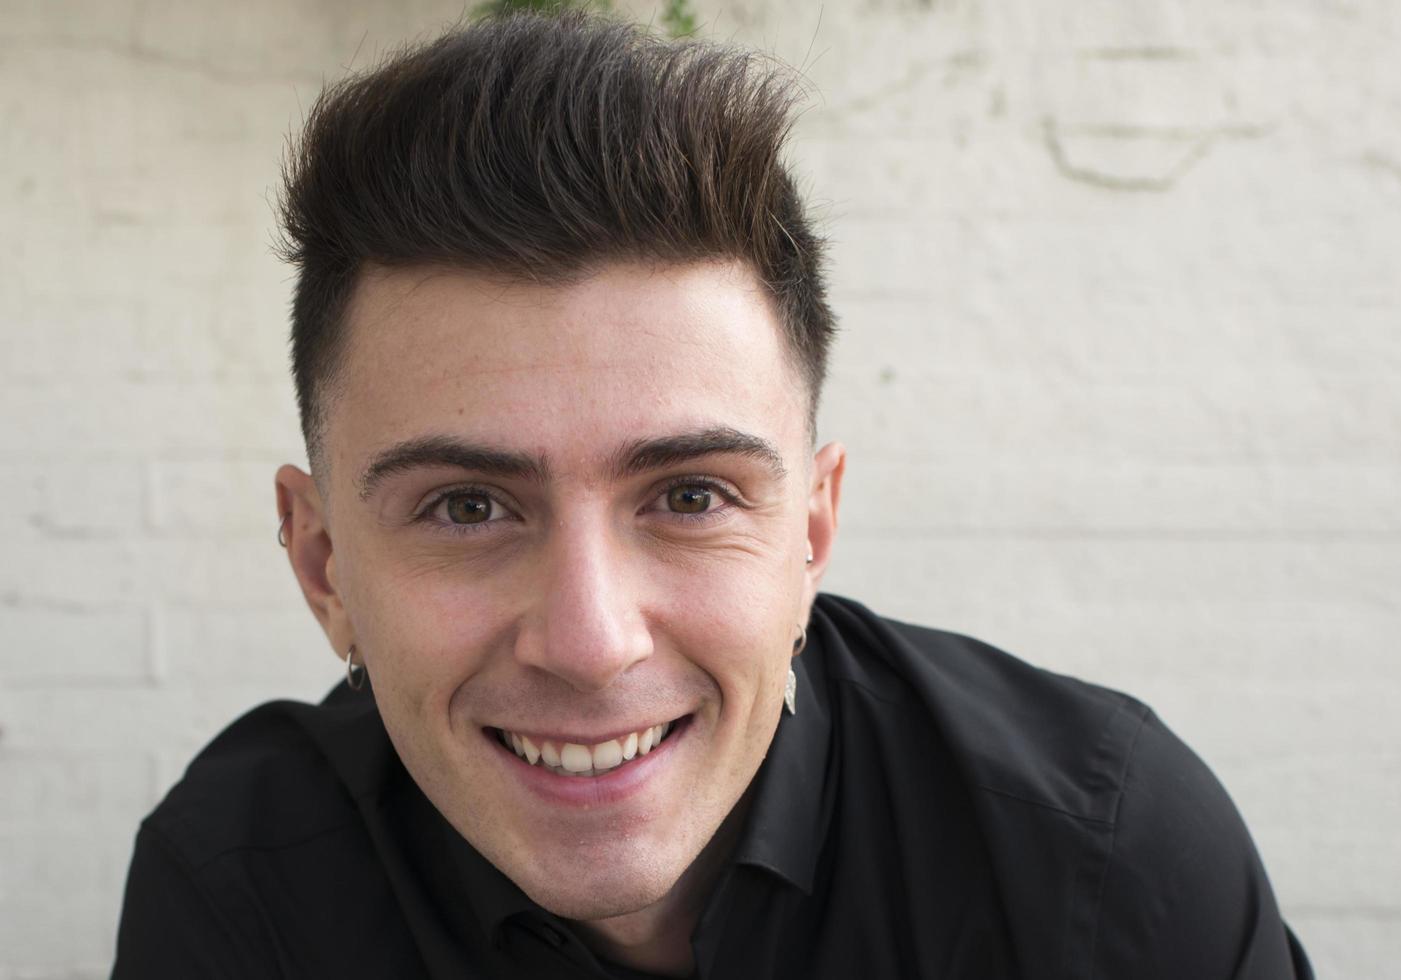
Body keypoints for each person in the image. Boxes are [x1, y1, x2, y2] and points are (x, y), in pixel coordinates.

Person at [112, 12, 1314, 979]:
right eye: (468, 507)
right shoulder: (241, 892)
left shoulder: (1093, 860)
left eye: (688, 494)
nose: (589, 642)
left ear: (812, 529)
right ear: (324, 568)